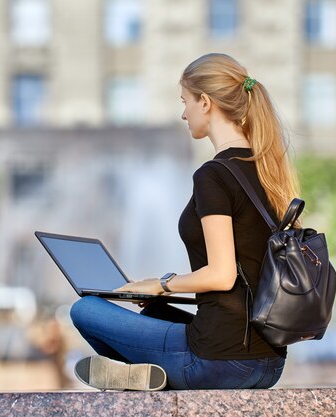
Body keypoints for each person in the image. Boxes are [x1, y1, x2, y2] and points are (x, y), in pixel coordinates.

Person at [69, 53, 299, 390]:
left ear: (205, 102)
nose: (183, 113)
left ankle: (138, 378)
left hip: (219, 362)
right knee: (155, 314)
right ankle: (143, 375)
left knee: (85, 309)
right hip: (268, 364)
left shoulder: (215, 175)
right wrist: (161, 297)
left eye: (185, 101)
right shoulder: (268, 172)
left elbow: (222, 276)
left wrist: (160, 284)